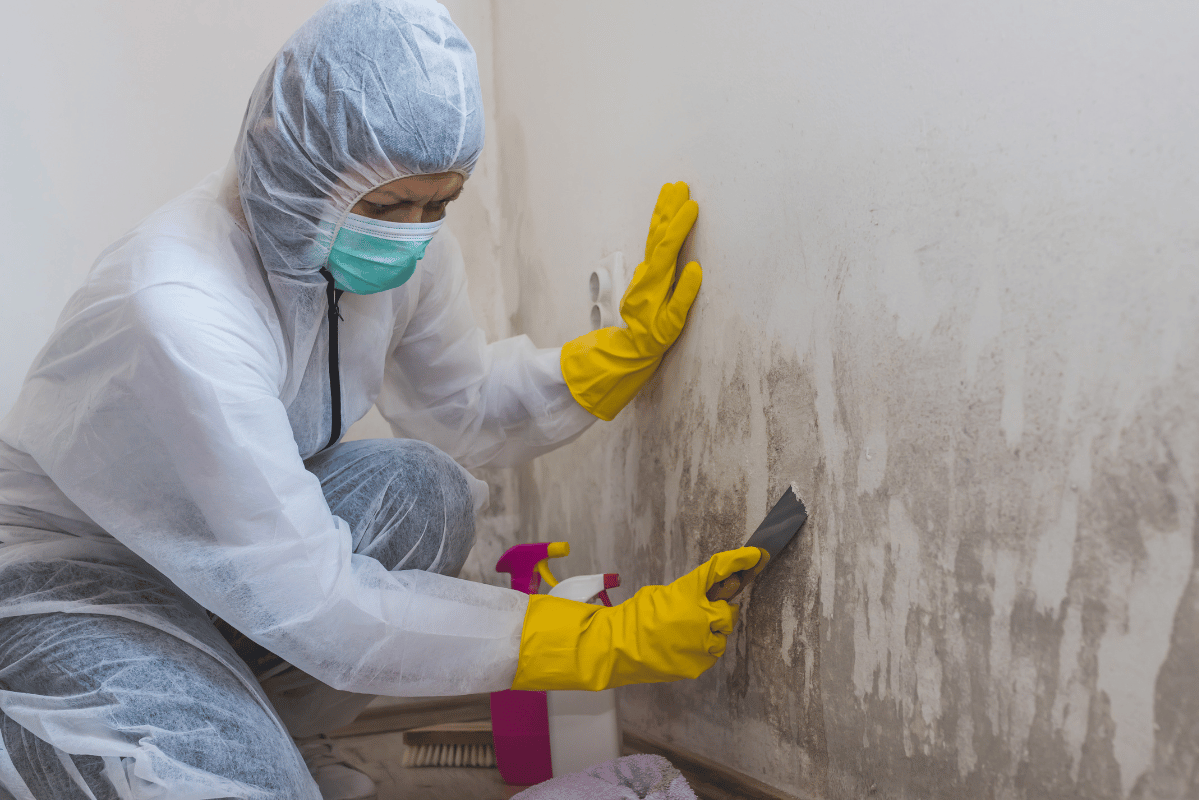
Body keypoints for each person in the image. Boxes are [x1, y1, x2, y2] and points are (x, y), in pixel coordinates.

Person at [0, 1, 760, 798]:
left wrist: (606, 362)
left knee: (422, 491)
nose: (414, 232)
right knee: (247, 784)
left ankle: (276, 732)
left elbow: (459, 404)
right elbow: (317, 601)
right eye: (390, 208)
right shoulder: (179, 303)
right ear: (286, 160)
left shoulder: (402, 244)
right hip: (70, 577)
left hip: (217, 568)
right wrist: (595, 638)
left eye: (442, 203)